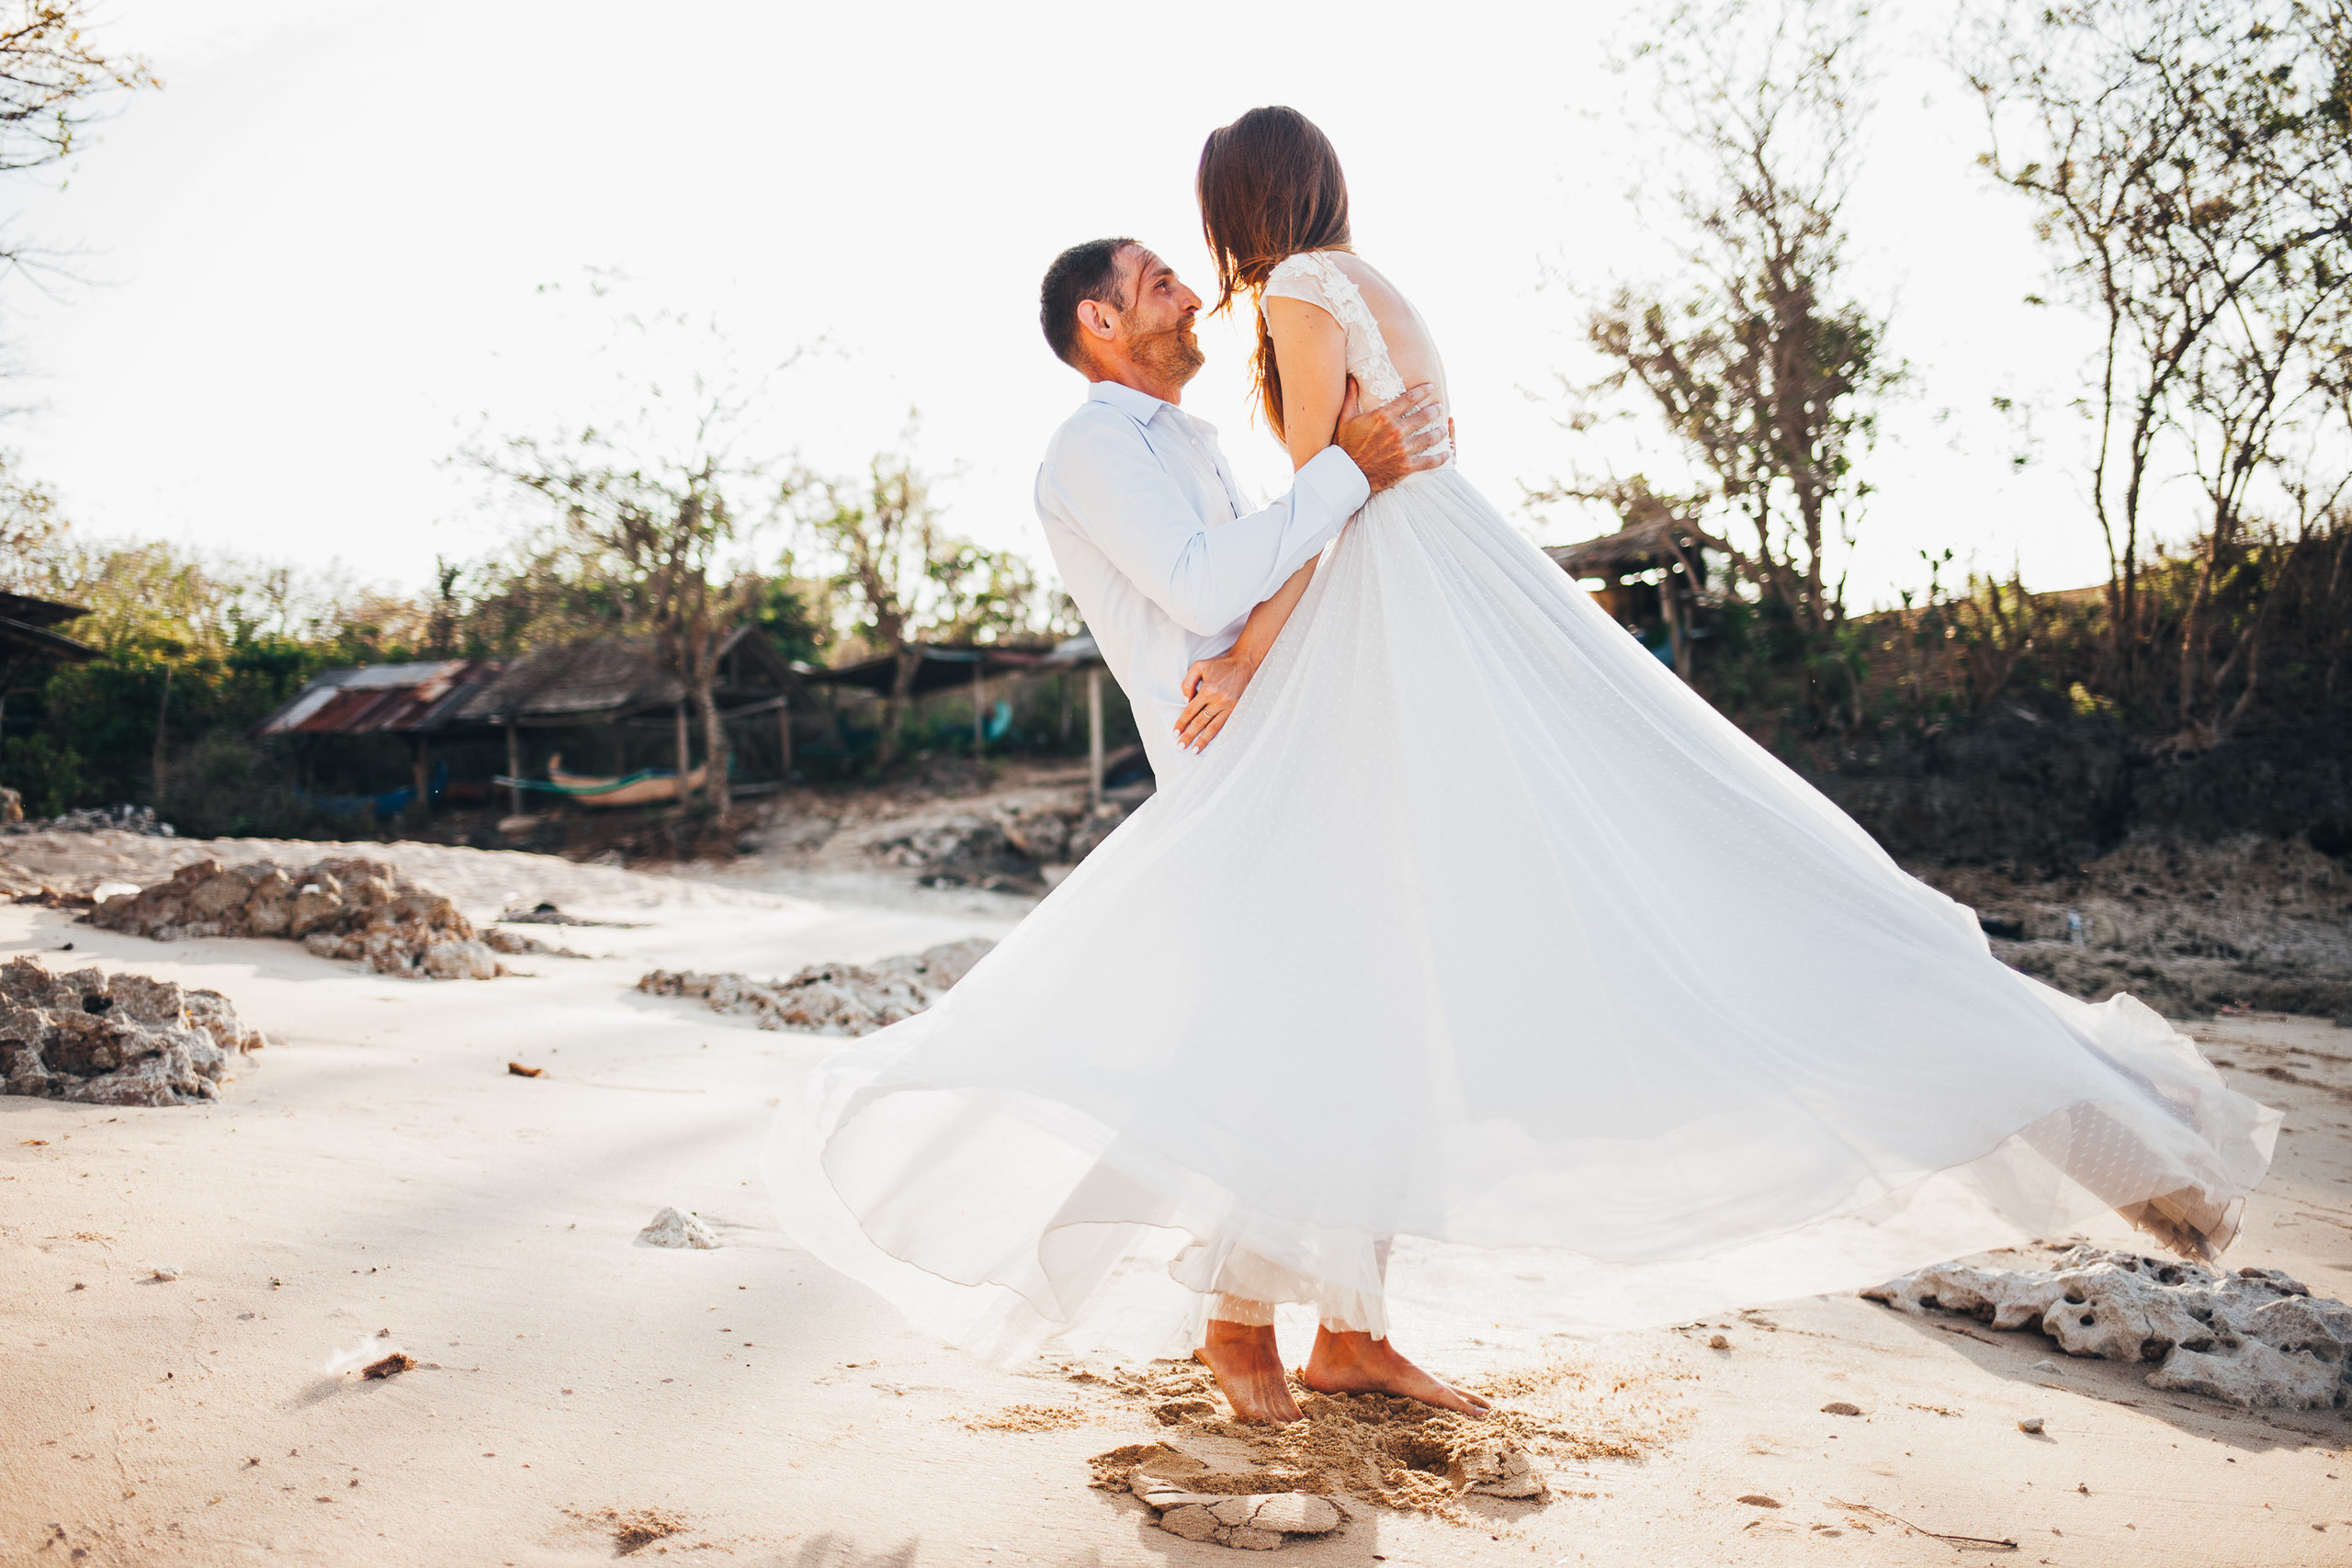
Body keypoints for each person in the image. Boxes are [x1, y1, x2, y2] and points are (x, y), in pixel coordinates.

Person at [763, 107, 2278, 1428]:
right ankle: (1283, 1322)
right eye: (1151, 277)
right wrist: (1324, 520)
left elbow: (1327, 524)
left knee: (1361, 1006)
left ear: (1244, 207)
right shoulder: (1122, 429)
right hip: (1289, 725)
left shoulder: (1287, 314)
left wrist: (1315, 534)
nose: (1184, 278)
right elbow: (1255, 559)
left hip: (1351, 692)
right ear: (1100, 322)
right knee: (1351, 1007)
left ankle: (1318, 1327)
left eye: (1188, 247)